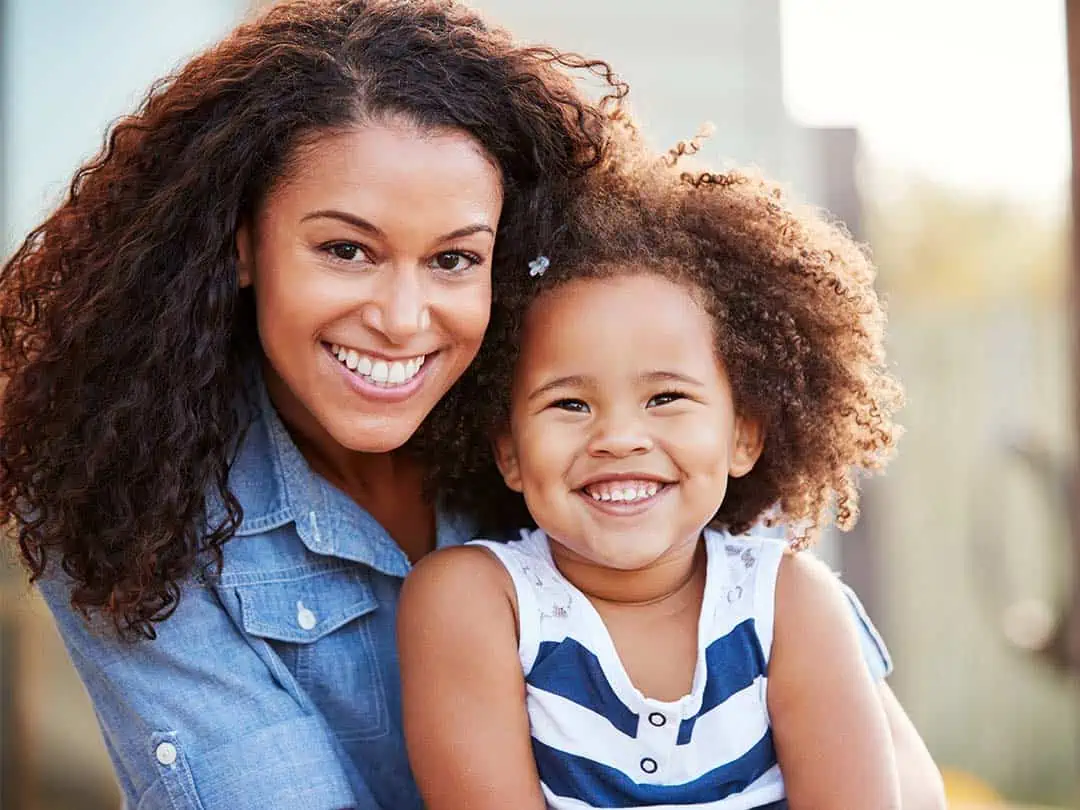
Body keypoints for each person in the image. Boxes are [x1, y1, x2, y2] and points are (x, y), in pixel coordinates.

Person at [0, 1, 943, 809]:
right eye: (346, 250)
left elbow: (891, 768)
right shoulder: (126, 495)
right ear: (239, 245)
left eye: (454, 258)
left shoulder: (629, 445)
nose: (403, 319)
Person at [397, 139, 908, 809]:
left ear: (744, 434)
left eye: (665, 398)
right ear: (510, 453)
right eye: (570, 404)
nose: (617, 438)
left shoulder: (789, 607)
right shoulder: (478, 604)